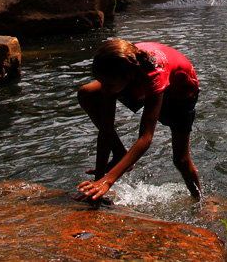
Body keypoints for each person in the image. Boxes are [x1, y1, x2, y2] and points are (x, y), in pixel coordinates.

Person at [76, 39, 202, 202]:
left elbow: (145, 138)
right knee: (87, 93)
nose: (104, 88)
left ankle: (200, 200)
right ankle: (120, 154)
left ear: (127, 76)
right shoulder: (121, 70)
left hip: (179, 95)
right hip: (138, 82)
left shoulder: (154, 73)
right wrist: (98, 184)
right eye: (101, 81)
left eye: (108, 84)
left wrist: (108, 180)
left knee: (181, 160)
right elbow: (106, 130)